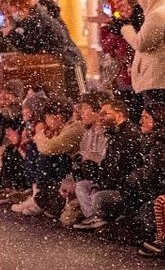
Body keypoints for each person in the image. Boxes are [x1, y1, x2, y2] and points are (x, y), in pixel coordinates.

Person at [75, 96, 143, 230]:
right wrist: (97, 183)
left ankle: (103, 218)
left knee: (98, 198)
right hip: (113, 184)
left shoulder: (128, 136)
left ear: (118, 115)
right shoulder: (114, 135)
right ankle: (95, 216)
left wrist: (101, 185)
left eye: (105, 113)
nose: (101, 116)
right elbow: (106, 165)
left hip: (124, 190)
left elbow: (119, 170)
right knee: (82, 186)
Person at [4, 0, 86, 98]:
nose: (13, 15)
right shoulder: (33, 20)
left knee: (78, 97)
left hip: (71, 61)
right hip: (62, 63)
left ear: (23, 9)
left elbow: (31, 46)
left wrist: (11, 34)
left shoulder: (40, 21)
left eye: (14, 12)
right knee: (67, 96)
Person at [14, 95, 83, 217]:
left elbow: (49, 148)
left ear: (58, 117)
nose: (46, 122)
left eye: (47, 118)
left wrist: (40, 135)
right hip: (66, 170)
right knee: (34, 149)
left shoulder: (74, 128)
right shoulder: (62, 127)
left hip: (73, 170)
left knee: (45, 155)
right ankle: (38, 195)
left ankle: (43, 199)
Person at [64, 91, 111, 227]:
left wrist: (91, 158)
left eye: (85, 108)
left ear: (97, 111)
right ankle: (91, 215)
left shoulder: (107, 133)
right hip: (90, 179)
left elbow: (104, 161)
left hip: (103, 179)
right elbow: (80, 160)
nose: (81, 113)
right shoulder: (88, 133)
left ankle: (96, 215)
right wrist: (68, 182)